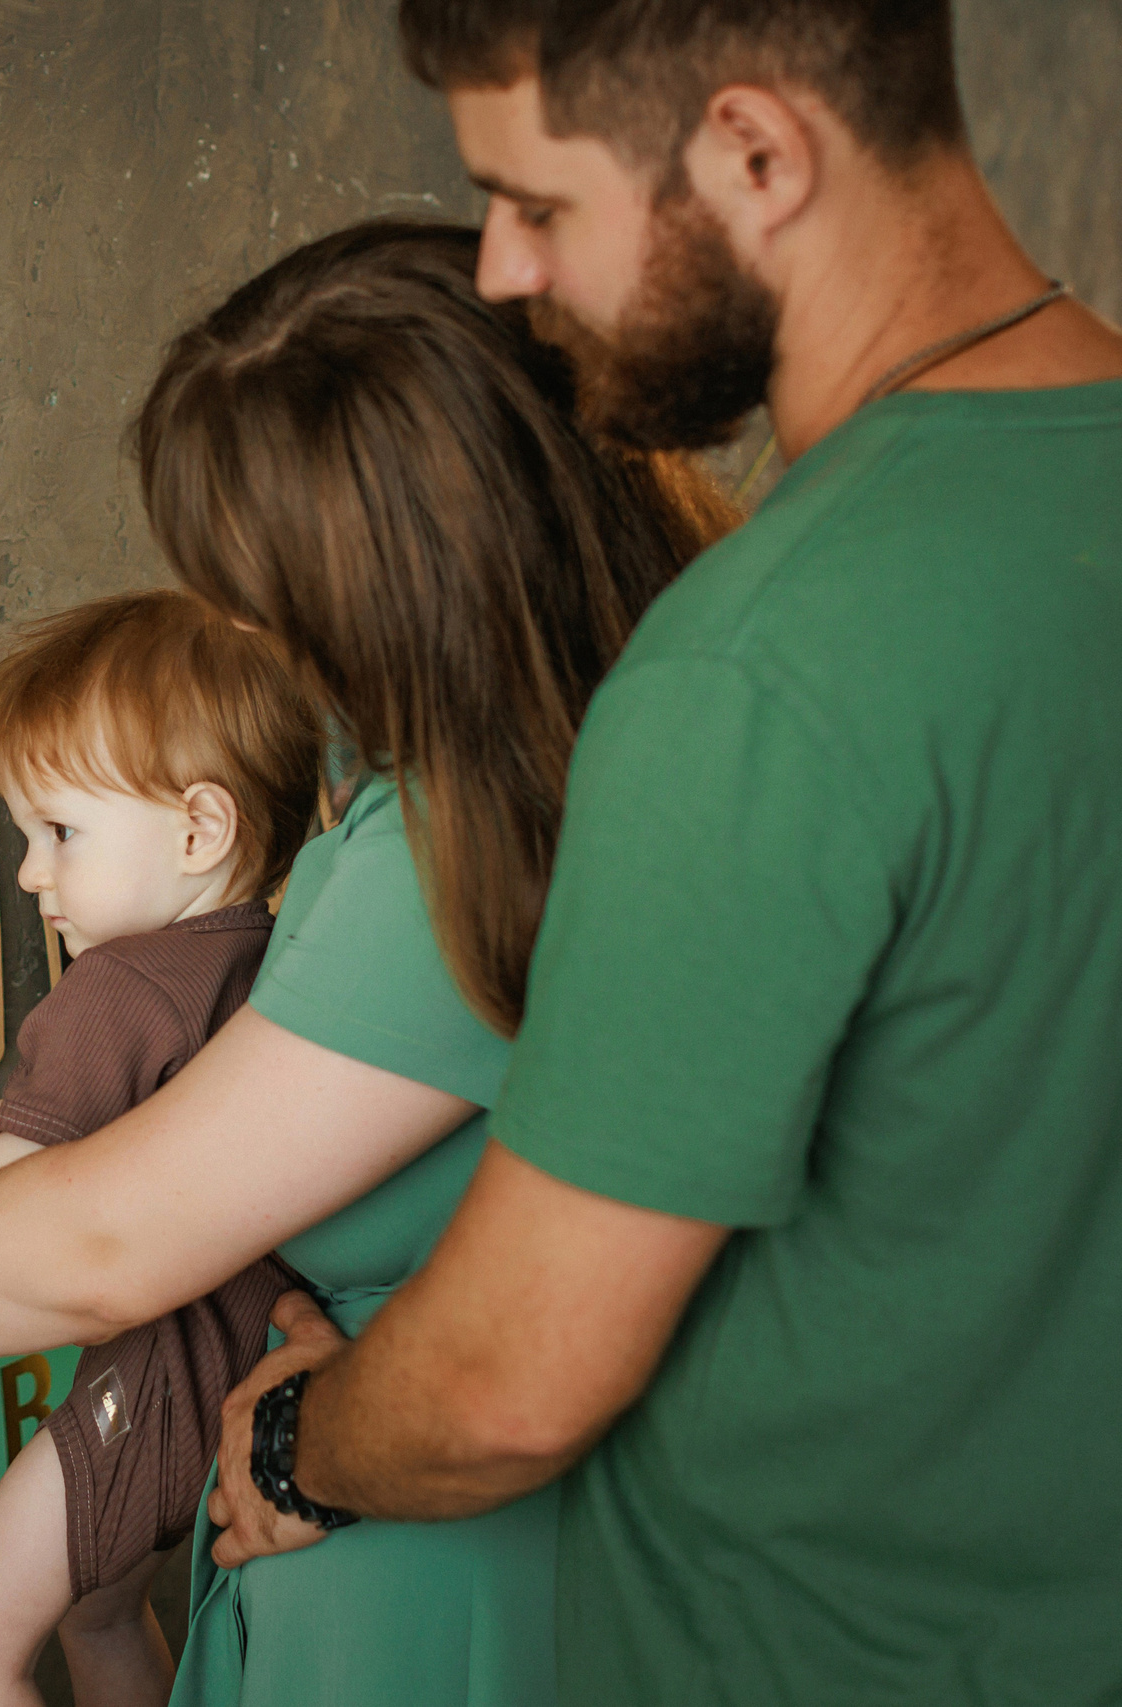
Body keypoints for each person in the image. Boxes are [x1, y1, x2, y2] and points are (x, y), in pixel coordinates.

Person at [0, 219, 731, 1707]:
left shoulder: (468, 832)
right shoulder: (551, 765)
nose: (252, 628)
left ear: (408, 562)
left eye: (268, 583)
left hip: (439, 1596)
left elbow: (110, 1241)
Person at [192, 7, 1122, 1706]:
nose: (502, 268)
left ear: (758, 156)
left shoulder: (752, 670)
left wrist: (302, 1439)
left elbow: (507, 1384)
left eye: (536, 203)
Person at [0, 588, 319, 1707]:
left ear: (199, 829)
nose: (26, 875)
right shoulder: (266, 960)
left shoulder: (118, 985)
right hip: (252, 1360)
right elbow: (115, 1124)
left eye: (58, 833)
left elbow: (24, 1191)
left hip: (163, 1379)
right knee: (100, 1607)